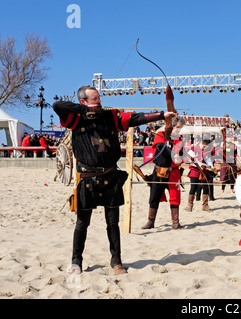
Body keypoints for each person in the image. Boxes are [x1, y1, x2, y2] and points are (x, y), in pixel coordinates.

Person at [53, 85, 176, 276]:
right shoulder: (75, 118)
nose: (99, 102)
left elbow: (135, 119)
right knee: (82, 223)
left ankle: (116, 261)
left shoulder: (111, 116)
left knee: (113, 223)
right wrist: (85, 109)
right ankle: (76, 261)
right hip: (87, 179)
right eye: (95, 99)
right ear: (84, 102)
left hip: (110, 177)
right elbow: (57, 105)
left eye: (99, 98)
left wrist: (162, 115)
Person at [142, 116, 186, 230]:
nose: (178, 130)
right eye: (177, 127)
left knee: (175, 197)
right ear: (171, 125)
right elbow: (161, 147)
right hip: (160, 171)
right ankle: (150, 221)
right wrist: (174, 155)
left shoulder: (179, 139)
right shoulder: (161, 134)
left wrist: (183, 157)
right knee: (154, 196)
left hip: (174, 172)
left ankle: (175, 222)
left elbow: (182, 153)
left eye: (180, 128)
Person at [185, 137, 215, 212]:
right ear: (201, 143)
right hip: (195, 170)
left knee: (206, 187)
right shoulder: (193, 149)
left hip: (204, 170)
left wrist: (211, 167)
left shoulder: (206, 150)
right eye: (204, 146)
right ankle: (189, 205)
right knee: (193, 187)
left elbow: (208, 159)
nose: (204, 148)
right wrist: (199, 165)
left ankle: (205, 206)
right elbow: (193, 160)